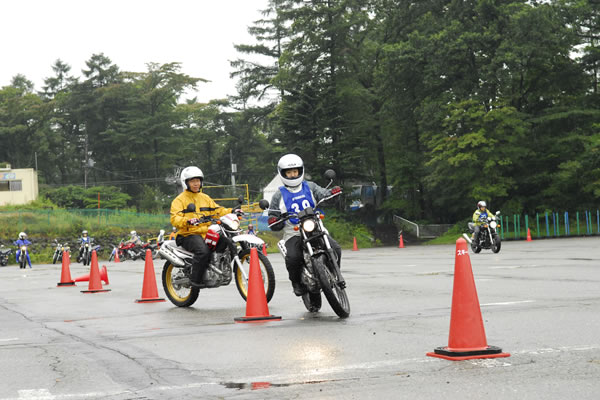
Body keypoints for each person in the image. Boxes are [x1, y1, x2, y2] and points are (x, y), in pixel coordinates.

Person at [268, 154, 342, 296]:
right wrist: (273, 220)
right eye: (289, 173)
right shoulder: (278, 195)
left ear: (300, 171)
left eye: (295, 171)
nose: (292, 175)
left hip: (315, 226)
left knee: (336, 248)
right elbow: (273, 214)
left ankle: (335, 273)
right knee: (293, 258)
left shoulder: (310, 186)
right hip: (294, 231)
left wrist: (333, 193)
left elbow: (323, 194)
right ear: (283, 174)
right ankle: (296, 282)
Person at [170, 166, 240, 287]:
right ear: (186, 183)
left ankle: (216, 268)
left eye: (198, 180)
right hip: (188, 234)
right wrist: (188, 221)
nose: (196, 183)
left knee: (228, 243)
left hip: (205, 232)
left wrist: (232, 211)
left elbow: (218, 210)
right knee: (203, 251)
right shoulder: (179, 200)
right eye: (192, 181)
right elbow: (174, 218)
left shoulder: (205, 198)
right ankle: (195, 280)